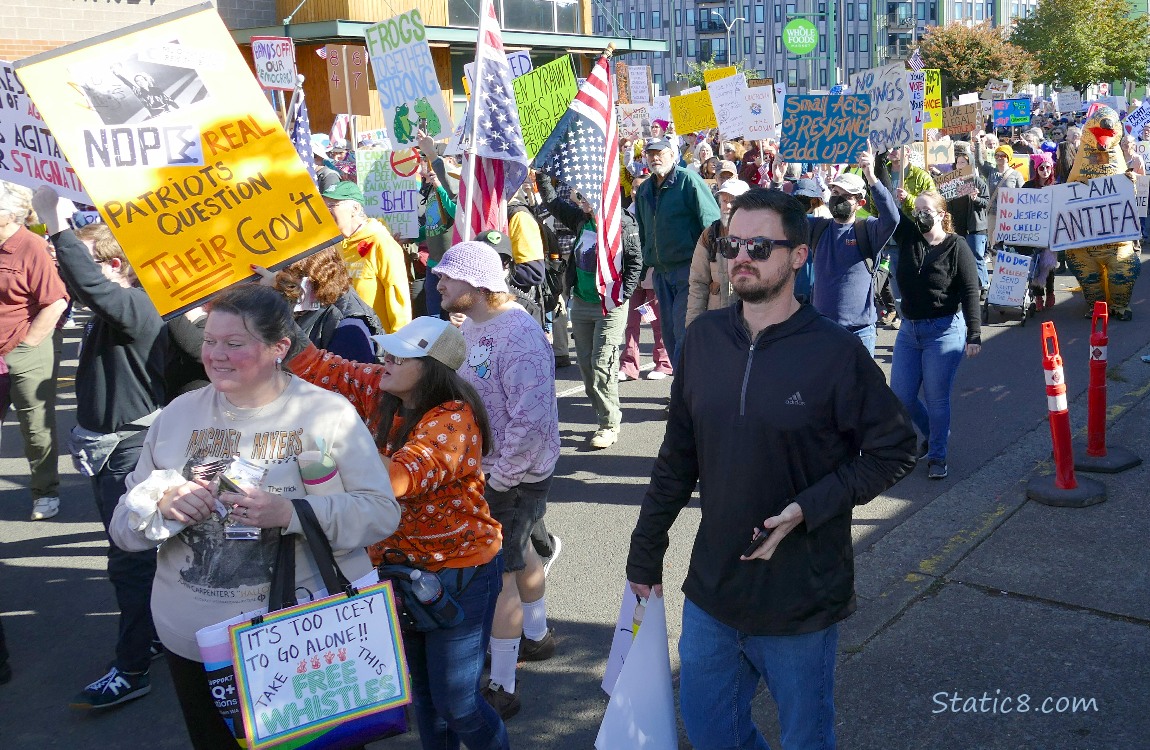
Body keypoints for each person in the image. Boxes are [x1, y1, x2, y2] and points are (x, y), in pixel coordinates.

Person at [626, 188, 917, 750]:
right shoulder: (705, 340)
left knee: (807, 739)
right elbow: (676, 458)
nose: (741, 257)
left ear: (798, 256)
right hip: (714, 589)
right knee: (714, 733)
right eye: (732, 244)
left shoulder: (835, 352)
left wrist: (811, 505)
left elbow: (896, 447)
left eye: (760, 245)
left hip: (800, 597)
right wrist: (645, 553)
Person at [108, 284, 400, 749]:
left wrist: (290, 512)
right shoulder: (178, 414)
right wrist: (161, 508)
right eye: (209, 341)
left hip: (302, 641)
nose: (216, 355)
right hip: (198, 644)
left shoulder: (326, 413)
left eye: (234, 343)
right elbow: (124, 529)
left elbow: (381, 513)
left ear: (278, 347)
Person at [287, 315, 508, 749]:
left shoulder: (454, 421)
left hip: (458, 572)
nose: (384, 360)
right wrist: (275, 305)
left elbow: (396, 481)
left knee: (457, 703)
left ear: (431, 370)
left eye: (400, 355)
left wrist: (331, 440)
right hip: (398, 570)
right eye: (387, 351)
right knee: (424, 697)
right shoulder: (383, 387)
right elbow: (314, 364)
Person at [32, 187, 168, 710]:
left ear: (116, 267)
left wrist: (55, 223)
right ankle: (152, 636)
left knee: (129, 558)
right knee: (136, 556)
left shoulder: (136, 305)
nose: (78, 282)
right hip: (111, 447)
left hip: (128, 450)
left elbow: (90, 286)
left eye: (91, 268)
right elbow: (84, 284)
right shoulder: (121, 307)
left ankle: (132, 667)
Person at [431, 242, 561, 719]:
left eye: (449, 277)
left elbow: (530, 420)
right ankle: (538, 635)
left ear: (479, 286)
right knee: (520, 547)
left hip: (513, 475)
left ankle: (503, 685)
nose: (439, 283)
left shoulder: (521, 337)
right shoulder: (477, 323)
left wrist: (501, 481)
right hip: (493, 470)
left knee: (499, 574)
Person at [535, 175, 643, 447]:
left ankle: (609, 423)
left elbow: (635, 262)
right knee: (586, 366)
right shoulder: (581, 219)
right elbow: (552, 201)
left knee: (601, 362)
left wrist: (621, 295)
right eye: (579, 196)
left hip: (610, 303)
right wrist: (541, 173)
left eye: (585, 196)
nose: (580, 200)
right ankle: (604, 412)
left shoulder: (622, 223)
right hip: (582, 302)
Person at [890, 191, 982, 480]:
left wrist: (975, 334)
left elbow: (970, 291)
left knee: (936, 398)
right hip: (909, 330)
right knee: (901, 396)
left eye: (926, 210)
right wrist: (872, 173)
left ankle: (938, 456)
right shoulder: (909, 237)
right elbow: (884, 205)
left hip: (943, 332)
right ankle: (933, 432)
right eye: (916, 210)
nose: (920, 215)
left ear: (942, 214)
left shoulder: (957, 246)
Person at [0, 181, 68, 520]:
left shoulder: (31, 246)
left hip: (27, 345)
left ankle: (45, 492)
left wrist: (26, 346)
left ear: (9, 215)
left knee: (35, 426)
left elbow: (55, 302)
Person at [633, 138, 722, 369]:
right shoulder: (644, 189)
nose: (655, 158)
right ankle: (682, 388)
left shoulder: (688, 180)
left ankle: (686, 392)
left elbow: (711, 225)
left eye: (660, 153)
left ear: (673, 154)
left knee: (684, 330)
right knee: (670, 333)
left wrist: (714, 269)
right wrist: (643, 271)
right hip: (661, 274)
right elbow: (644, 232)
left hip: (689, 270)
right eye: (650, 154)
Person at [808, 147, 898, 356]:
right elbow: (784, 218)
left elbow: (892, 218)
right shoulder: (817, 227)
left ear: (860, 203)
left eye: (846, 196)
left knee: (860, 389)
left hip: (860, 331)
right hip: (823, 329)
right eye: (835, 193)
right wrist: (775, 182)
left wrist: (871, 176)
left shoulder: (868, 229)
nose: (838, 199)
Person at [322, 180, 412, 333]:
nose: (326, 211)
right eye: (324, 206)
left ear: (355, 209)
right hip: (342, 337)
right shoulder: (334, 244)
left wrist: (399, 341)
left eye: (332, 205)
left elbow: (397, 294)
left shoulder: (381, 241)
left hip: (376, 343)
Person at [265, 246, 383, 362]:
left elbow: (343, 377)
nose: (279, 283)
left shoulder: (349, 325)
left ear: (313, 277)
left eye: (284, 277)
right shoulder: (308, 305)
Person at [686, 179, 749, 326]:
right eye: (724, 200)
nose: (727, 206)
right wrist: (693, 327)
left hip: (748, 321)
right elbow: (698, 283)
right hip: (716, 320)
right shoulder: (710, 235)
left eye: (733, 201)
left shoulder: (758, 236)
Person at [945, 147, 991, 300]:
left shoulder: (978, 182)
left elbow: (986, 202)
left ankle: (984, 285)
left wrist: (976, 199)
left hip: (976, 227)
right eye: (958, 163)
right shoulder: (951, 183)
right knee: (960, 258)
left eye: (964, 162)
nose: (961, 165)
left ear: (970, 164)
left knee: (977, 257)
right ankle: (964, 286)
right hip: (959, 227)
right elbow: (947, 203)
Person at [1022, 153, 1058, 311]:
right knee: (1035, 263)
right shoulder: (1028, 186)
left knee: (1049, 264)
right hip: (1033, 231)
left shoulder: (1056, 187)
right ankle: (1038, 296)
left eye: (1048, 167)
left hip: (1051, 232)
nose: (1045, 171)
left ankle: (1050, 292)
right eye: (1041, 168)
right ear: (1036, 170)